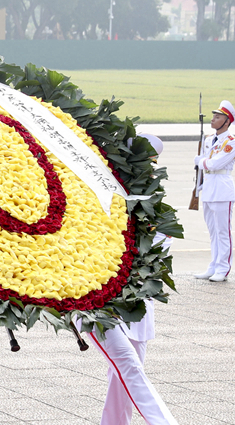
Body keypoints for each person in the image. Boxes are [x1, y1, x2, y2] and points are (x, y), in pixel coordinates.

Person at [87, 134, 178, 425]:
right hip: (99, 301)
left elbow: (163, 243)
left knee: (123, 375)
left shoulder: (153, 199)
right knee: (129, 367)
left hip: (138, 303)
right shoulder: (101, 194)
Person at [193, 100, 235, 282]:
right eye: (213, 116)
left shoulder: (231, 143)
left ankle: (223, 268)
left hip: (222, 189)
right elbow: (205, 165)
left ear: (226, 122)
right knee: (212, 231)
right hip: (209, 188)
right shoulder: (208, 140)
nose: (213, 120)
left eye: (218, 117)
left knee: (223, 232)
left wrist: (200, 161)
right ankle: (213, 266)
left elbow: (214, 163)